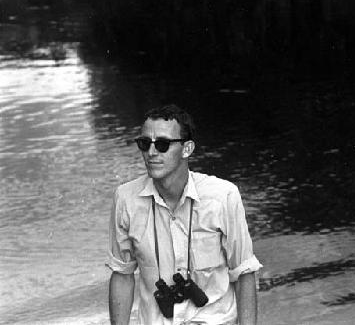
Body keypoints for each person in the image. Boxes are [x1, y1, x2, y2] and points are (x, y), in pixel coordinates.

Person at [107, 105, 262, 325]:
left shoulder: (223, 196)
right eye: (144, 144)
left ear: (187, 148)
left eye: (162, 144)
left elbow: (244, 271)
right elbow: (122, 275)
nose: (151, 153)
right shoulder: (125, 199)